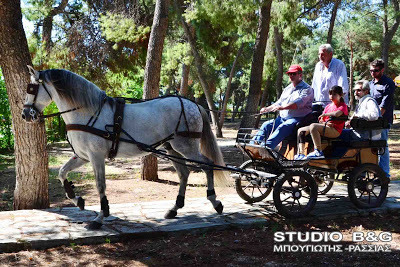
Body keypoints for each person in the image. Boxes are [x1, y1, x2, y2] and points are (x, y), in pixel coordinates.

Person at [253, 64, 314, 149]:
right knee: (266, 125)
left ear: (300, 75)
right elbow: (279, 102)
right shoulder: (287, 89)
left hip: (297, 119)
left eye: (294, 74)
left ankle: (266, 148)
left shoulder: (307, 89)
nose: (291, 76)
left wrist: (284, 107)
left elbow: (299, 103)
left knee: (283, 127)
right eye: (289, 74)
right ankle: (253, 145)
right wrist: (267, 108)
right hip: (282, 118)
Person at [295, 86, 348, 160]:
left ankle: (318, 151)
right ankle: (301, 154)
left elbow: (337, 114)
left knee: (313, 126)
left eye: (334, 94)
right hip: (326, 126)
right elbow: (321, 119)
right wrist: (325, 122)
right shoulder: (328, 106)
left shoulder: (343, 106)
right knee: (301, 130)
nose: (331, 96)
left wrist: (325, 115)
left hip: (335, 130)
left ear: (340, 95)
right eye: (330, 94)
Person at [369, 59, 395, 178]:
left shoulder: (388, 83)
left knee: (382, 147)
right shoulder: (370, 84)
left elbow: (384, 105)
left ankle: (384, 175)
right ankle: (373, 172)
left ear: (382, 70)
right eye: (371, 71)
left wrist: (375, 117)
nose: (373, 73)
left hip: (382, 122)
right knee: (370, 147)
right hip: (370, 121)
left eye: (376, 70)